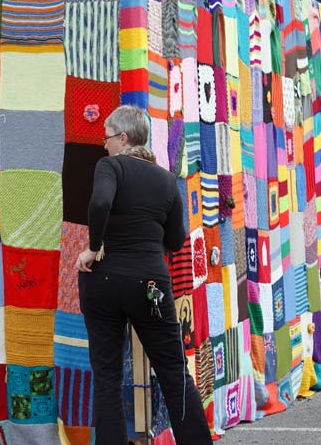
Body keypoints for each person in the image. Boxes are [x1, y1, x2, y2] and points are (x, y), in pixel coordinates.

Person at [76, 105, 213, 445]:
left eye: (107, 137)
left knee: (107, 376)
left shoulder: (110, 166)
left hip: (104, 283)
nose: (104, 144)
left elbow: (100, 204)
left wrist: (94, 247)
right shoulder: (166, 180)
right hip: (150, 285)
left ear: (123, 138)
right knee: (173, 372)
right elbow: (176, 240)